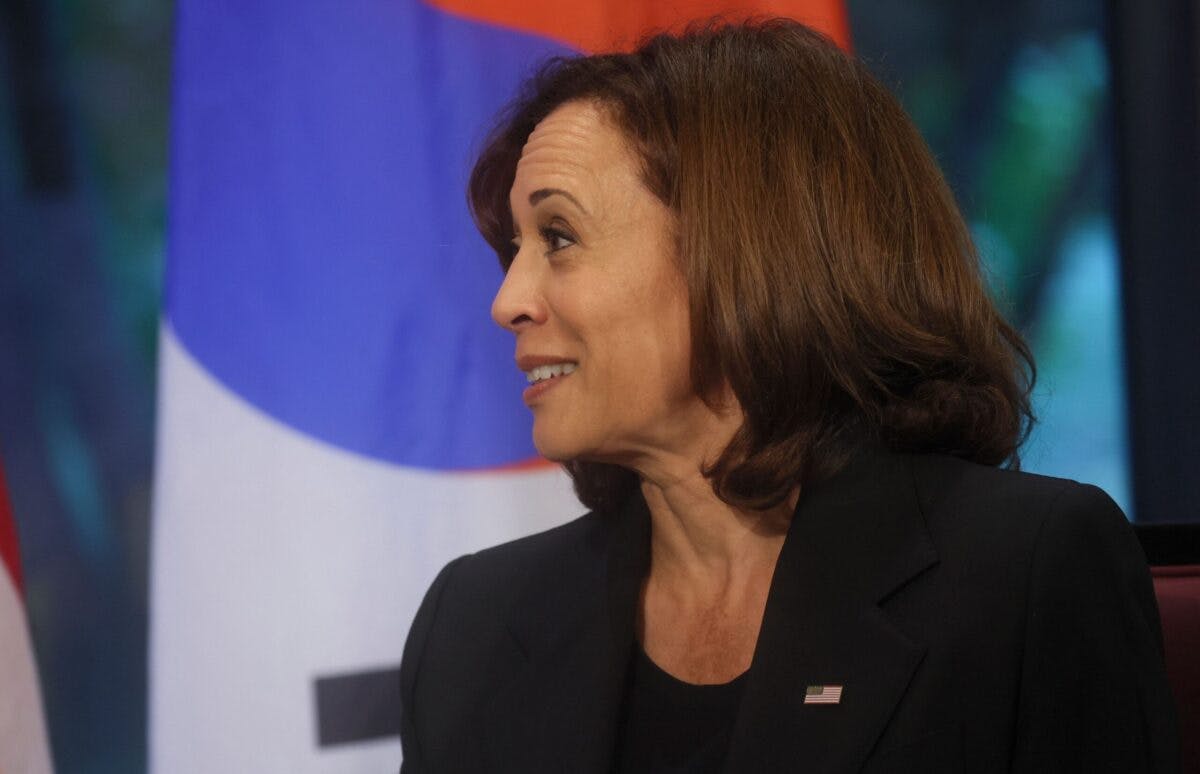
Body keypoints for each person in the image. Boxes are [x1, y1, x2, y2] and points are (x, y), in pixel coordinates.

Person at [398, 19, 1180, 773]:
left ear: (743, 248)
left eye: (559, 237)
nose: (508, 301)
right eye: (514, 248)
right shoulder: (473, 624)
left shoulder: (1024, 577)